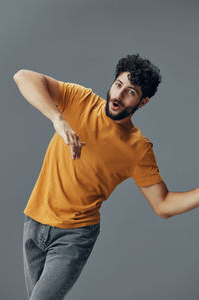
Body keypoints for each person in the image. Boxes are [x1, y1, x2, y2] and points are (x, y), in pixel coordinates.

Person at [13, 54, 199, 299]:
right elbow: (23, 77)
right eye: (118, 85)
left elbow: (163, 204)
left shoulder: (138, 148)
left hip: (73, 236)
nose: (118, 96)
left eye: (130, 92)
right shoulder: (81, 100)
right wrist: (57, 118)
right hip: (34, 221)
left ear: (142, 102)